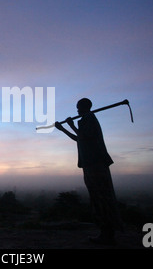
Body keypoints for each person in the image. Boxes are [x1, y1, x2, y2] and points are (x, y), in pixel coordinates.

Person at [55, 98, 123, 245]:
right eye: (77, 108)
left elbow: (84, 136)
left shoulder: (89, 118)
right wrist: (63, 129)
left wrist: (71, 125)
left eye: (79, 107)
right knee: (97, 197)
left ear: (86, 107)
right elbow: (79, 139)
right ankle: (105, 233)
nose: (77, 110)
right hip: (90, 163)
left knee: (101, 196)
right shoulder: (86, 119)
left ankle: (108, 234)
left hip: (95, 163)